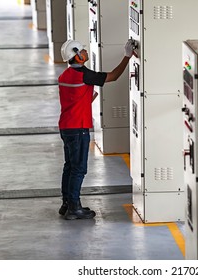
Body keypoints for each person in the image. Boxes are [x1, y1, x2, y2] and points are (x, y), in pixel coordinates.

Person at [58, 39, 135, 220]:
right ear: (76, 55)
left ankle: (66, 203)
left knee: (69, 166)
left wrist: (86, 100)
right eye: (82, 50)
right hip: (78, 128)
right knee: (79, 169)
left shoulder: (64, 76)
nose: (85, 52)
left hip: (66, 126)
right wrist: (127, 56)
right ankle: (74, 208)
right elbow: (113, 76)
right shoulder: (84, 75)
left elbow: (73, 100)